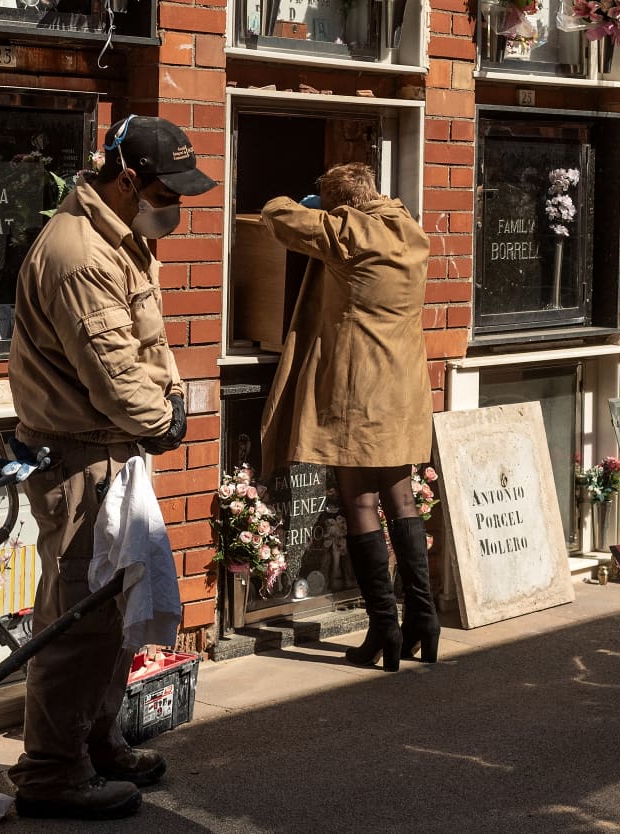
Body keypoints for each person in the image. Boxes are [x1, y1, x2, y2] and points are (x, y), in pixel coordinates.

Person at [6, 115, 214, 820]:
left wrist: (173, 400)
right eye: (166, 189)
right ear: (127, 178)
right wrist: (161, 420)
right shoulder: (81, 254)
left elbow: (142, 344)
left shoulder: (122, 238)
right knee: (78, 620)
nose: (175, 205)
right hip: (81, 455)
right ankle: (51, 770)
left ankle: (96, 742)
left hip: (111, 448)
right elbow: (111, 368)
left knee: (114, 610)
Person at [259, 162, 438, 672]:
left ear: (340, 206)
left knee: (359, 501)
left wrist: (311, 207)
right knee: (400, 497)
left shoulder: (347, 232)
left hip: (360, 389)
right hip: (403, 389)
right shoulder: (410, 231)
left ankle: (384, 628)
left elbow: (275, 216)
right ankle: (424, 619)